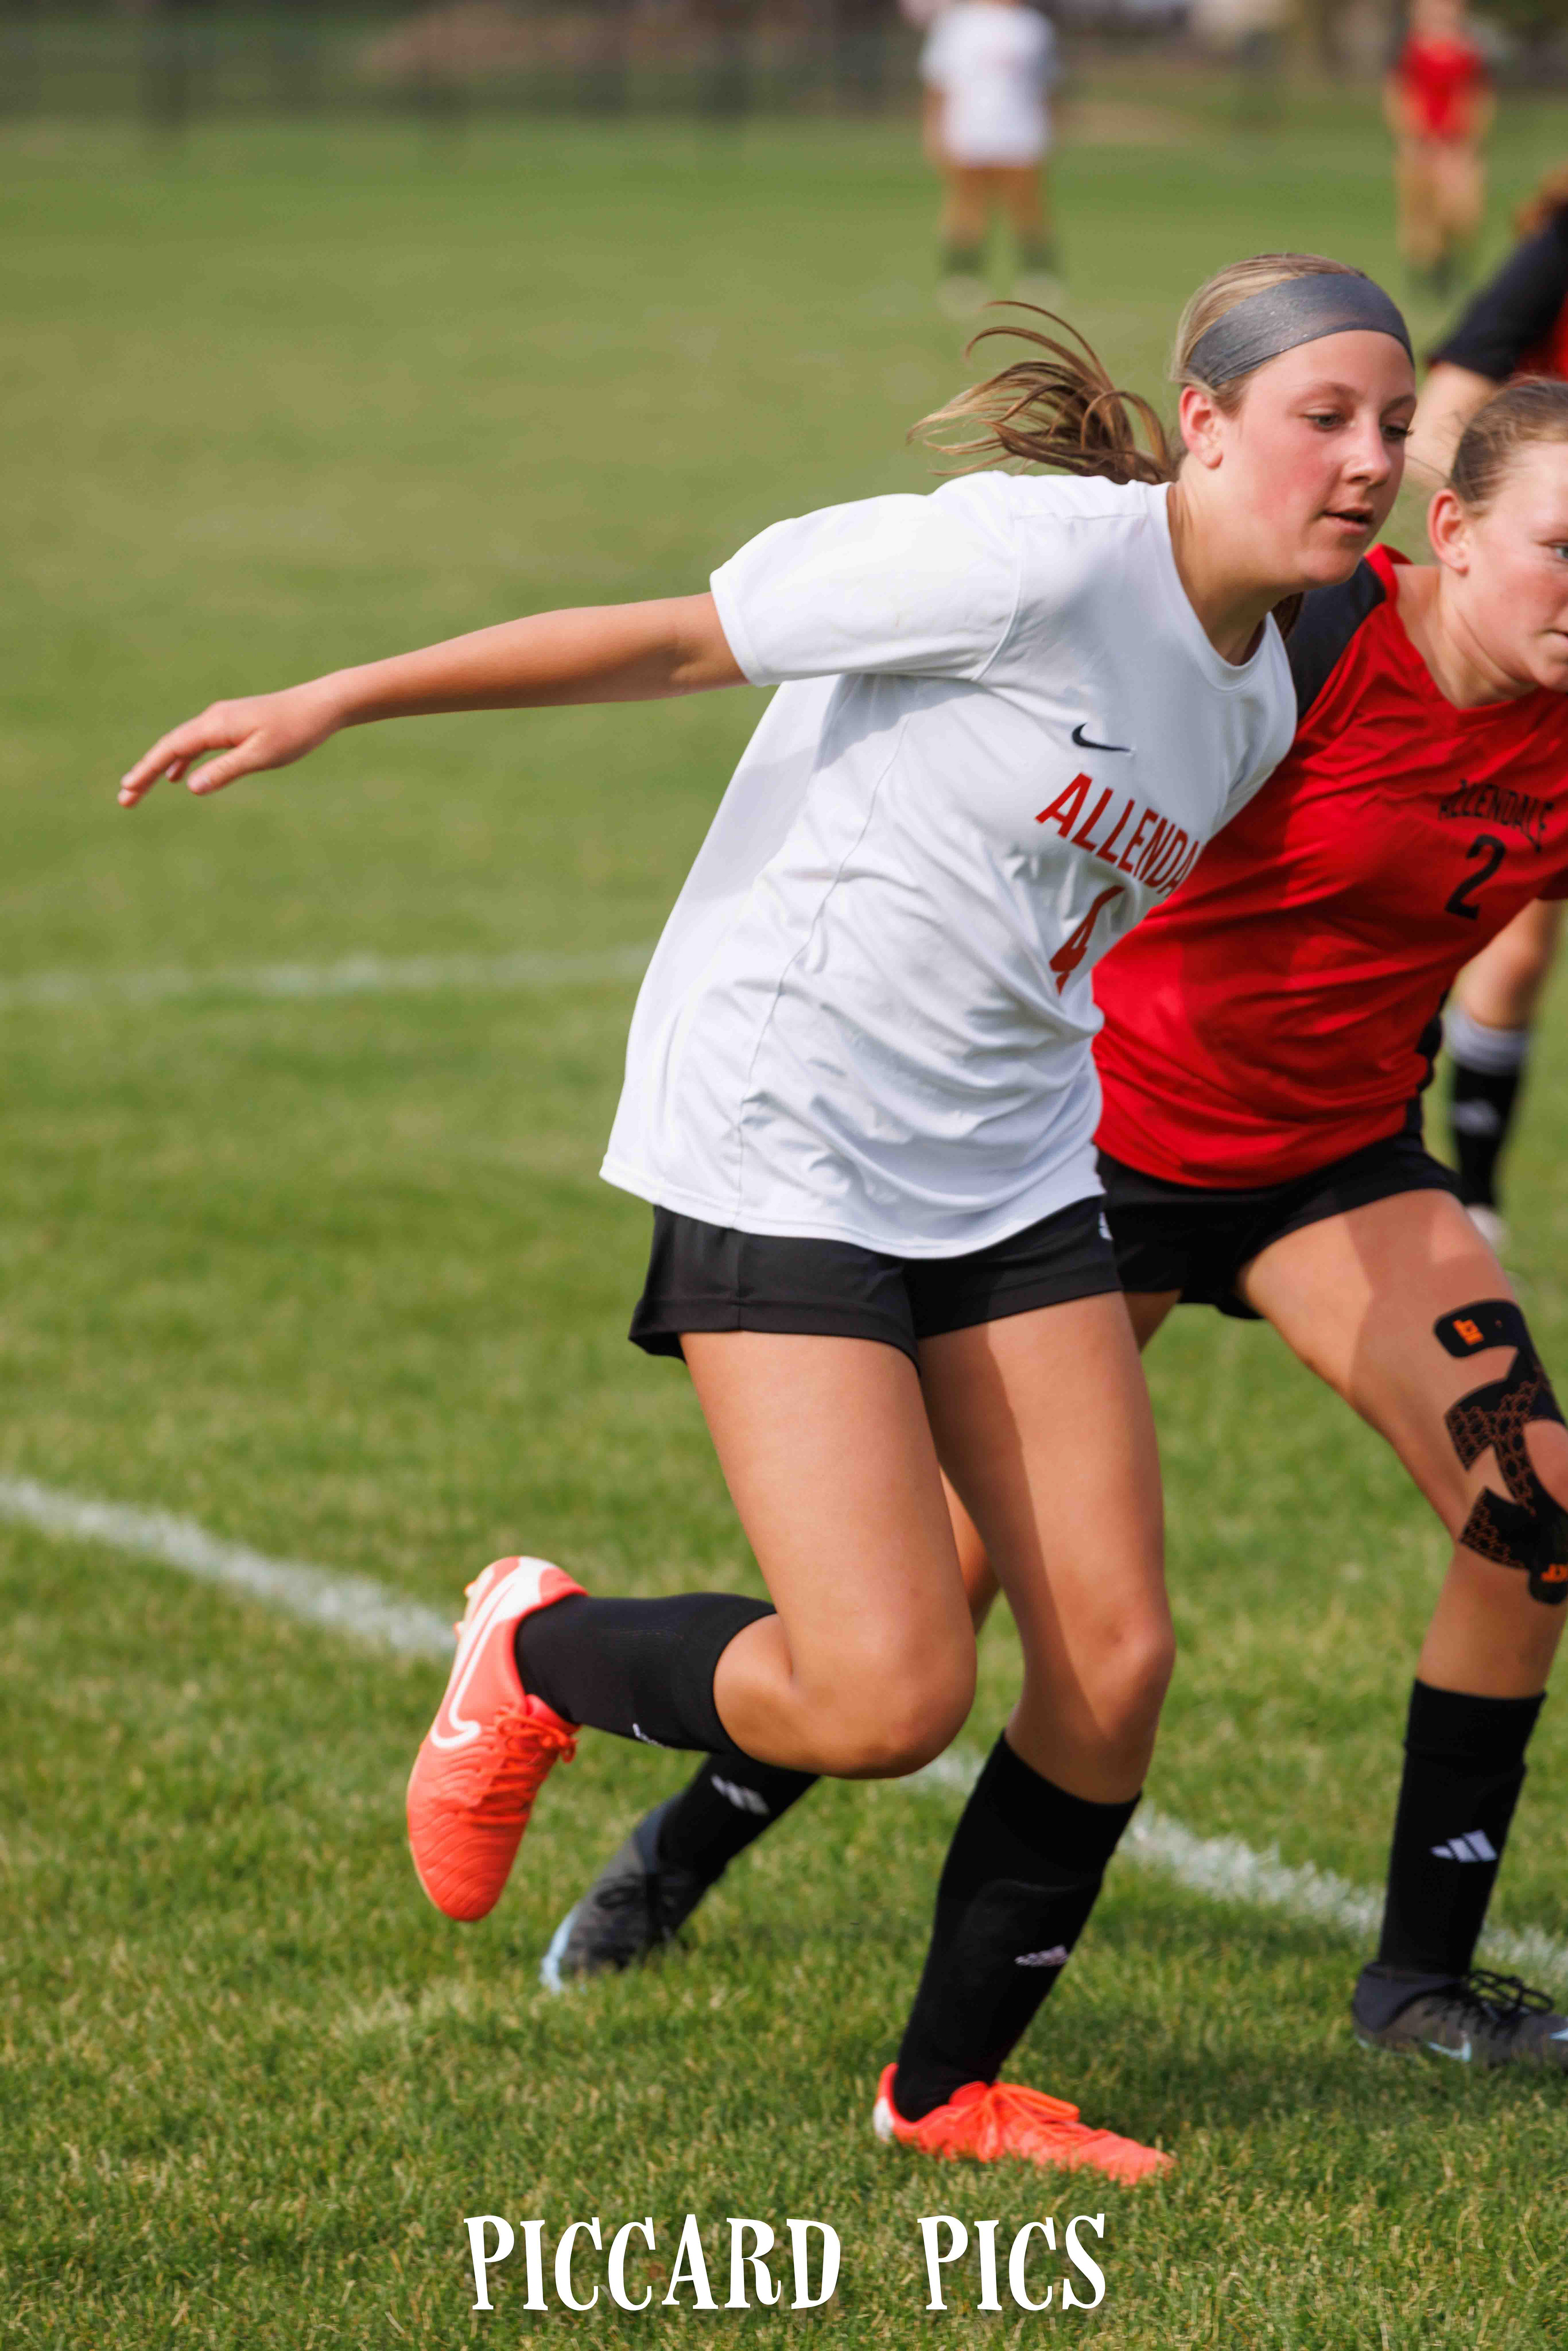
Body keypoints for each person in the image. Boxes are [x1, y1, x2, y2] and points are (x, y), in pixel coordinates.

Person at [118, 258, 1415, 2178]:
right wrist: (339, 695)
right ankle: (540, 1654)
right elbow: (674, 640)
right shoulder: (1029, 561)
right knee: (886, 1694)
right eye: (1329, 417)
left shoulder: (1258, 692)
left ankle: (945, 2089)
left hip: (1011, 1161)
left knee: (1115, 1658)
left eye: (1395, 425)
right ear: (1207, 424)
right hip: (783, 1122)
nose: (1372, 460)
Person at [547, 377, 1568, 2080]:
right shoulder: (1313, 644)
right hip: (1103, 1155)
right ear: (1452, 532)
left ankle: (1421, 1984)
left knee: (1534, 1510)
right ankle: (681, 1846)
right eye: (1565, 546)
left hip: (1336, 1166)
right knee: (935, 1593)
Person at [1411, 167, 1568, 1248]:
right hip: (1529, 623)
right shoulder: (1558, 249)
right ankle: (1461, 1193)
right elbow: (1449, 405)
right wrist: (1506, 536)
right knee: (1495, 920)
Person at [919, 0, 1060, 317]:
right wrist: (933, 130)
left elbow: (1047, 85)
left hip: (1022, 132)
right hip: (968, 130)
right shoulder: (958, 24)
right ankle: (963, 276)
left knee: (1027, 205)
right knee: (967, 205)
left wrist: (1050, 128)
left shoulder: (1034, 27)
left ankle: (1037, 276)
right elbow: (939, 83)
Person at [1383, 0, 1492, 298]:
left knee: (1461, 210)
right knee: (1420, 210)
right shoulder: (1408, 50)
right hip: (1420, 141)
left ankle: (1450, 265)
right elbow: (1399, 95)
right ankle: (1424, 275)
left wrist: (1468, 140)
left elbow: (1478, 97)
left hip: (1457, 142)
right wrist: (1412, 137)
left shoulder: (1469, 51)